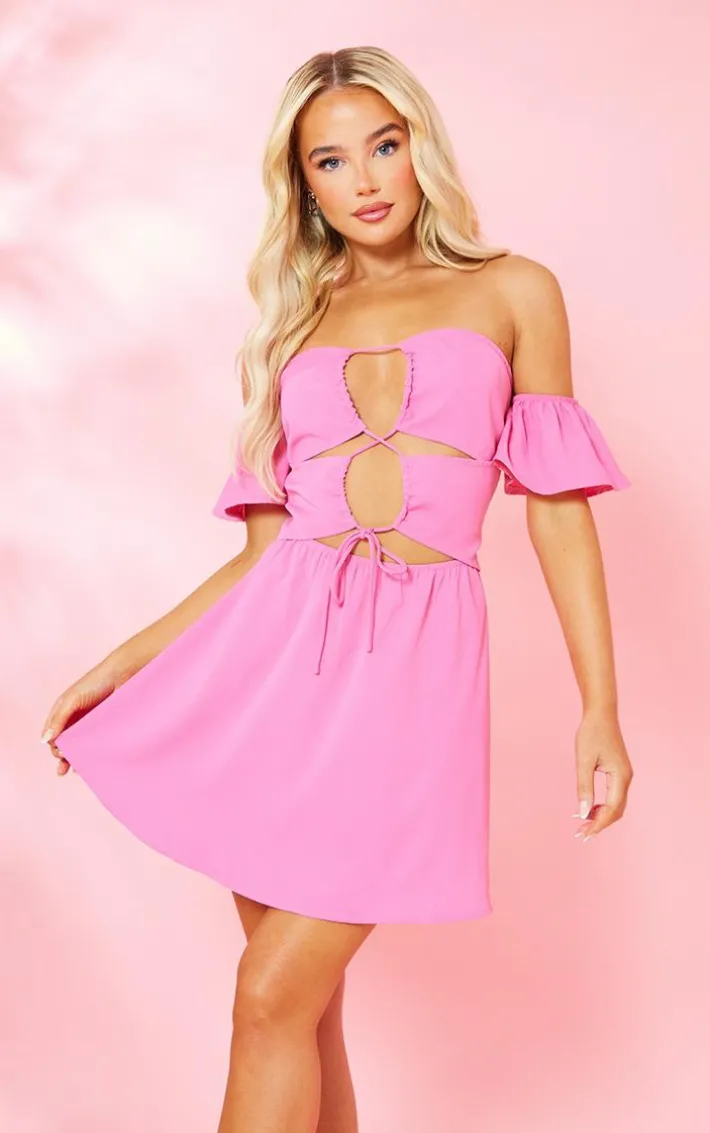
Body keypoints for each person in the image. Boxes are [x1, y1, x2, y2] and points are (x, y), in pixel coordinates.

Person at [40, 45, 634, 1133]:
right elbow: (264, 555)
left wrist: (599, 706)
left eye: (383, 146)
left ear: (419, 148)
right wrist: (121, 665)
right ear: (302, 184)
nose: (364, 179)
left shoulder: (513, 290)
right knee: (300, 1012)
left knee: (271, 994)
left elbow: (556, 507)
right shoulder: (293, 327)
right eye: (330, 160)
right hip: (273, 677)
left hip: (411, 680)